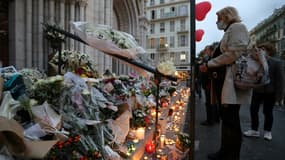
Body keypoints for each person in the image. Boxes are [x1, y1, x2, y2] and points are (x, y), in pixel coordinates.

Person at [200, 6, 252, 160]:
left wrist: (209, 64)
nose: (217, 22)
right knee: (227, 119)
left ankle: (231, 154)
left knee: (231, 120)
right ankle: (225, 151)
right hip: (222, 82)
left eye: (219, 18)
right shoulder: (230, 30)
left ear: (227, 16)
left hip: (229, 82)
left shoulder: (237, 27)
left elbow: (234, 53)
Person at [243, 42, 285, 140]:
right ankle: (254, 130)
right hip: (257, 90)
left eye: (263, 49)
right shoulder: (255, 61)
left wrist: (280, 97)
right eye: (260, 49)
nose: (260, 51)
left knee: (268, 112)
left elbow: (280, 81)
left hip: (270, 92)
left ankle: (267, 131)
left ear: (269, 51)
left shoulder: (276, 62)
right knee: (253, 110)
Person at [200, 45, 219, 126]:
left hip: (210, 83)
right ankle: (216, 118)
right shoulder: (208, 59)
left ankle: (210, 120)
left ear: (210, 50)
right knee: (213, 102)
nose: (205, 51)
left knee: (210, 102)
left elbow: (211, 71)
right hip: (209, 83)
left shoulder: (212, 59)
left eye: (206, 50)